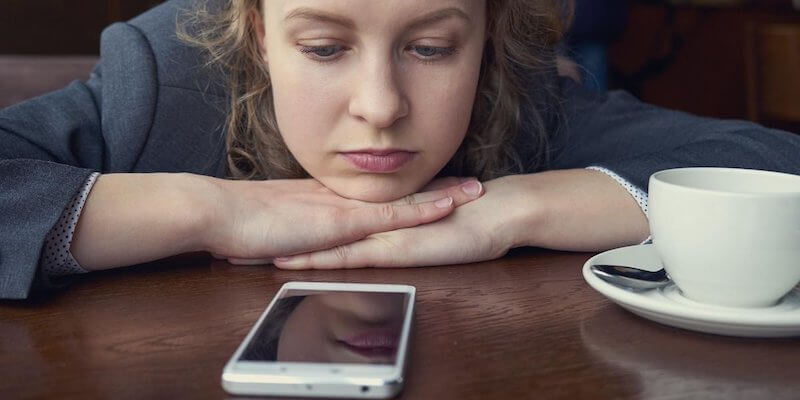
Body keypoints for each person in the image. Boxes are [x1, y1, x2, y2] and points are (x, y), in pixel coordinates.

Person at [2, 0, 799, 300]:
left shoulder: (523, 100)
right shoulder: (160, 76)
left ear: (485, 42)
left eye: (430, 48)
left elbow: (774, 164)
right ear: (257, 33)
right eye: (322, 48)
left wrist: (516, 209)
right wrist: (211, 210)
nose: (381, 108)